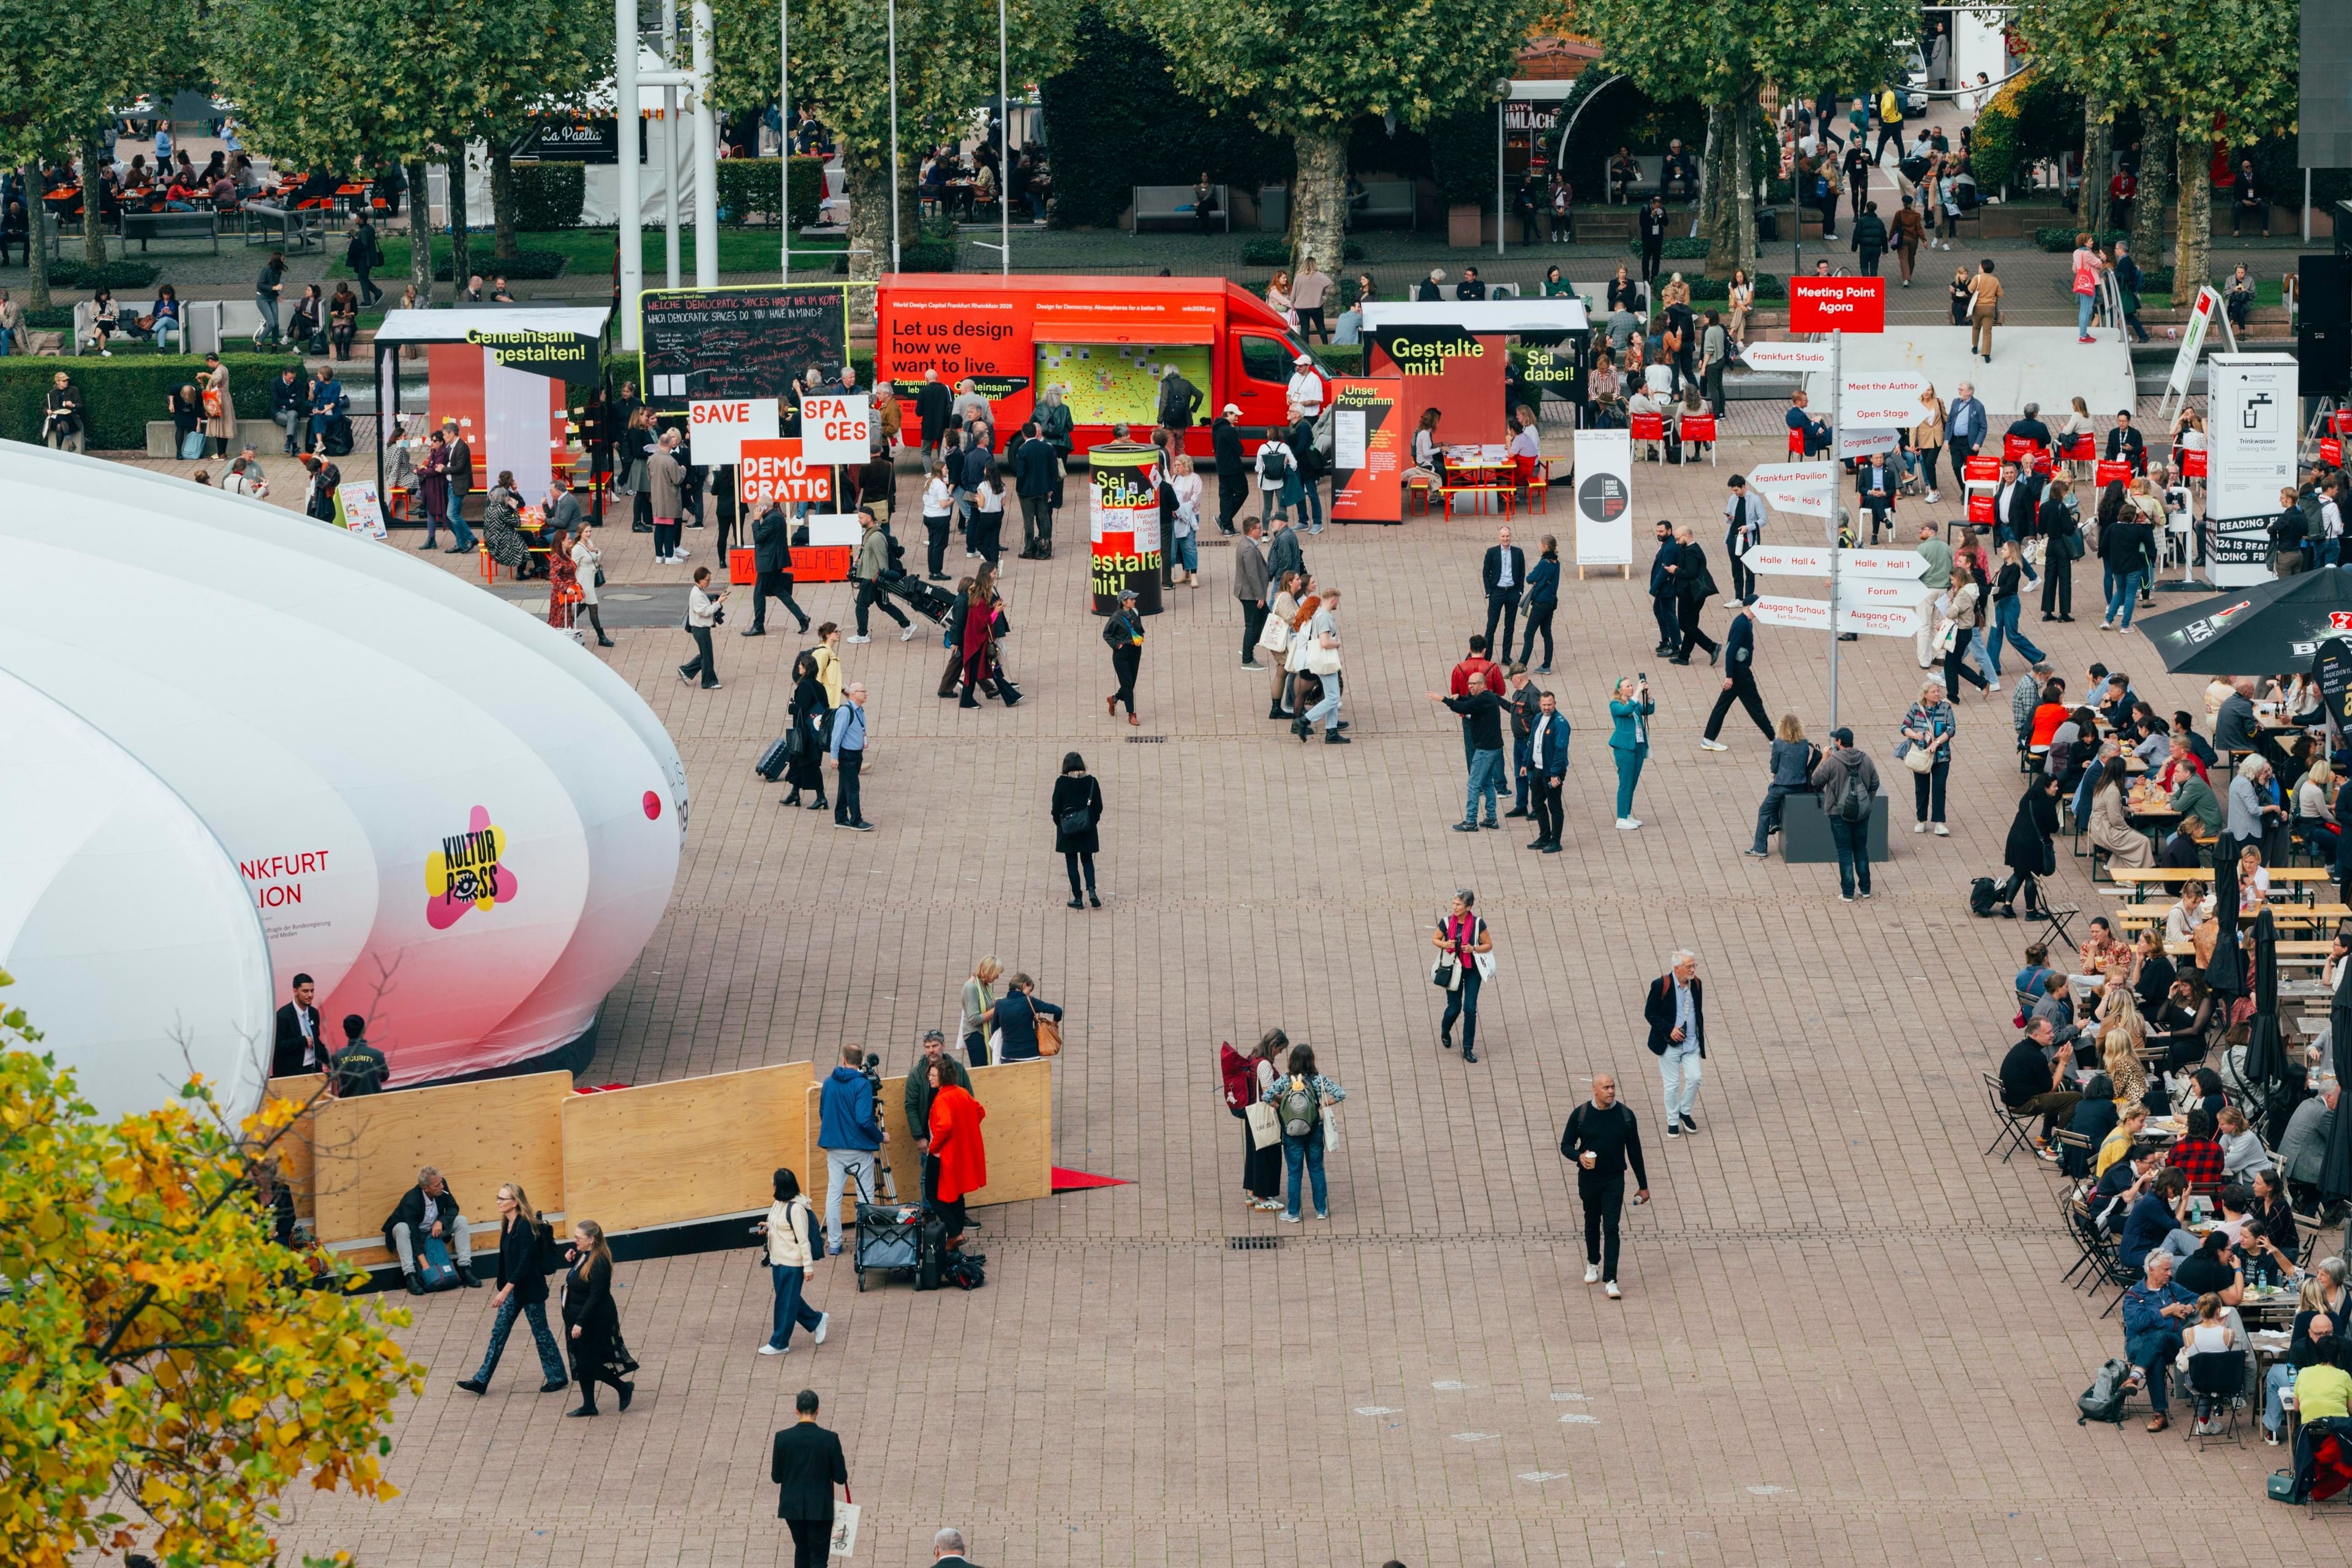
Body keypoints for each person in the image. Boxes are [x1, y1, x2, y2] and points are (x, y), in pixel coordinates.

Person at [456, 1182, 570, 1396]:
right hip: (514, 1290)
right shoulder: (506, 1225)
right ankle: (481, 1380)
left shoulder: (525, 1226)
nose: (499, 1202)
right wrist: (505, 1287)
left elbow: (524, 1263)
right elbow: (507, 1260)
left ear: (516, 1202)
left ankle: (557, 1376)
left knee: (541, 1333)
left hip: (530, 1291)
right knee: (498, 1332)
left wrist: (505, 1290)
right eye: (498, 1198)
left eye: (503, 1199)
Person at [1561, 1073, 1649, 1300]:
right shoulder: (1581, 1114)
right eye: (1606, 1088)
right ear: (1595, 1091)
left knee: (1611, 1227)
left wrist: (1643, 1185)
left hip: (1614, 1179)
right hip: (1589, 1179)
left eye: (1613, 1087)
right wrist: (1579, 1157)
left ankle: (1611, 1279)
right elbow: (1566, 1145)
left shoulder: (1625, 1116)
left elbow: (1635, 1152)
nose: (1611, 1091)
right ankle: (1593, 1262)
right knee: (1591, 1221)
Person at [813, 1045, 884, 1258]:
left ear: (843, 1060)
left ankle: (834, 1244)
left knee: (834, 1194)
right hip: (860, 1148)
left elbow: (823, 1112)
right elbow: (864, 1120)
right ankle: (866, 1243)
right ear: (860, 1061)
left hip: (835, 1147)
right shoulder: (862, 1085)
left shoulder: (828, 1083)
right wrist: (880, 1137)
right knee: (865, 1195)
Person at [1262, 1042, 1345, 1221]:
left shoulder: (1285, 1079)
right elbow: (1340, 1094)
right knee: (1316, 1170)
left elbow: (1266, 1096)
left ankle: (1293, 1213)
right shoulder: (1317, 1079)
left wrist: (1282, 1109)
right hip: (1314, 1129)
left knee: (1294, 1173)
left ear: (1292, 1061)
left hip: (1291, 1133)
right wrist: (1322, 1105)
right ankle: (1321, 1210)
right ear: (1311, 1060)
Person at [771, 1387, 849, 1568]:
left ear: (796, 1411)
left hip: (792, 1507)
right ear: (818, 1410)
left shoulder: (782, 1438)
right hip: (820, 1508)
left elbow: (777, 1477)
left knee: (802, 1549)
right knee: (819, 1556)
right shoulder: (830, 1439)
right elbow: (840, 1477)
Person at [2120, 1251, 2198, 1431]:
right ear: (2151, 1270)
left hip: (2172, 1343)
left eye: (2170, 1269)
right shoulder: (2134, 1295)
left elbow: (2199, 1298)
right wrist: (2168, 1311)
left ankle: (2135, 1376)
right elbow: (2138, 1322)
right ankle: (2159, 1415)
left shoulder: (2173, 1289)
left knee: (2160, 1337)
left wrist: (2190, 1307)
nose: (2170, 1274)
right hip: (2138, 1345)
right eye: (2165, 1270)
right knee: (2156, 1356)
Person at [1809, 728, 1880, 901]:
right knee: (1861, 849)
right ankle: (1865, 889)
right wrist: (1866, 803)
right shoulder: (1866, 759)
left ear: (1839, 742)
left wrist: (1824, 759)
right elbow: (1875, 783)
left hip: (1837, 813)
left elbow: (1815, 780)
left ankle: (1848, 892)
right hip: (1862, 814)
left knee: (1844, 852)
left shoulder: (1833, 761)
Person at [383, 1166, 478, 1295]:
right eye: (437, 1185)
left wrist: (441, 1222)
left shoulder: (442, 1188)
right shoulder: (411, 1200)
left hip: (433, 1229)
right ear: (426, 1188)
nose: (442, 1186)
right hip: (410, 1233)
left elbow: (453, 1208)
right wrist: (425, 1265)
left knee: (461, 1221)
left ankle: (465, 1268)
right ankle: (411, 1276)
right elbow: (414, 1236)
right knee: (402, 1228)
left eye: (441, 1182)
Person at [924, 1057, 987, 1251]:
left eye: (933, 1075)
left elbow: (945, 1126)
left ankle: (954, 1233)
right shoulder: (962, 1093)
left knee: (933, 1195)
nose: (930, 1078)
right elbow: (980, 1112)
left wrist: (934, 1147)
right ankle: (957, 1235)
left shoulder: (942, 1098)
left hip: (943, 1156)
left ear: (942, 1077)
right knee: (957, 1195)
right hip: (960, 1153)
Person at [1431, 671, 1506, 832]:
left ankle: (1470, 821)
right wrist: (1461, 697)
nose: (1470, 687)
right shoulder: (1487, 698)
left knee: (1473, 784)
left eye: (1473, 684)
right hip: (1494, 747)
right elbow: (1471, 703)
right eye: (1469, 684)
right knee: (1486, 783)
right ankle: (1491, 818)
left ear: (1482, 684)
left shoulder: (1485, 699)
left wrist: (1445, 700)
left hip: (1485, 749)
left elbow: (1466, 707)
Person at [1999, 1017, 2081, 1150]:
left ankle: (2044, 1137)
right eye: (2048, 1033)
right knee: (2076, 1098)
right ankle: (2056, 1143)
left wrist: (2055, 1061)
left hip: (2012, 1098)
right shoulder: (2036, 1057)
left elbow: (2043, 1076)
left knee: (2064, 1085)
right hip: (2023, 1104)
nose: (2053, 1035)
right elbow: (2050, 1088)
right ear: (2036, 1036)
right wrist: (2064, 1062)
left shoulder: (2023, 1048)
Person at [1702, 601, 1773, 751]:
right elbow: (1730, 651)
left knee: (1722, 706)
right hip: (1740, 674)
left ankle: (1708, 739)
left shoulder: (1746, 622)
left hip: (1737, 672)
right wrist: (1729, 676)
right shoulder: (1742, 625)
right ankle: (1773, 738)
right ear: (1749, 607)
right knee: (1755, 705)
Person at [1430, 890, 1492, 1062]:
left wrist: (1474, 949)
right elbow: (1435, 939)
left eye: (1458, 904)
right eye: (1454, 903)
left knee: (1470, 1009)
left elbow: (1488, 945)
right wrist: (1445, 944)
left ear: (1468, 907)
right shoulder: (1447, 922)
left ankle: (1467, 1048)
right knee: (1454, 1008)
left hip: (1473, 969)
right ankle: (1445, 1030)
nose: (1454, 907)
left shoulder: (1478, 924)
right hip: (1453, 969)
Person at [1899, 678, 1956, 835]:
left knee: (1939, 788)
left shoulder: (1946, 708)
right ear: (1925, 695)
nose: (1938, 694)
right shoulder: (1916, 709)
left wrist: (1936, 743)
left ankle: (1939, 822)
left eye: (1938, 691)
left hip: (1941, 756)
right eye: (1934, 692)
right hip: (1921, 755)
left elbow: (1951, 729)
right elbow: (1904, 727)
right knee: (1921, 788)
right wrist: (1914, 735)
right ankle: (1921, 820)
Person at [744, 502, 810, 637]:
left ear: (765, 507)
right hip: (774, 562)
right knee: (779, 591)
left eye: (759, 505)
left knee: (759, 594)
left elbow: (758, 537)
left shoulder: (771, 519)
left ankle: (758, 626)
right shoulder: (776, 517)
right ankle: (802, 617)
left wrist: (756, 520)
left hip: (768, 563)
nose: (756, 508)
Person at [1051, 751, 1103, 910]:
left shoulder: (1061, 783)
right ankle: (1092, 890)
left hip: (1068, 830)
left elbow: (1056, 808)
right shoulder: (1092, 782)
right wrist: (1091, 822)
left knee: (1071, 862)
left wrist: (1060, 824)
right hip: (1087, 828)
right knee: (1087, 859)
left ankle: (1078, 898)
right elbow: (1098, 806)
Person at [1668, 524, 1719, 665]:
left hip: (1690, 594)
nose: (1677, 542)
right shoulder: (1694, 549)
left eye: (1678, 539)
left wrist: (1675, 570)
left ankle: (1712, 646)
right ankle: (1684, 656)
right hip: (1695, 594)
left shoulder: (1691, 551)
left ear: (1686, 536)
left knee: (1685, 625)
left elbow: (1691, 572)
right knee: (1691, 625)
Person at [829, 682, 873, 831]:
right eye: (863, 691)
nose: (866, 694)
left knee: (845, 786)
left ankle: (841, 817)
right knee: (853, 787)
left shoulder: (860, 710)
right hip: (846, 755)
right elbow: (837, 735)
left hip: (856, 754)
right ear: (854, 694)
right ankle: (856, 820)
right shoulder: (846, 711)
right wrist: (834, 757)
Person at [1103, 587, 1145, 727]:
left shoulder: (1135, 613)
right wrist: (1118, 645)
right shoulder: (1116, 618)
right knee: (1127, 684)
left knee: (1131, 683)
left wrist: (1140, 638)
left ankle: (1114, 699)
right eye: (1131, 599)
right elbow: (1107, 635)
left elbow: (1140, 629)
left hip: (1135, 650)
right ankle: (1131, 714)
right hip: (1122, 653)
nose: (1134, 601)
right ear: (1124, 602)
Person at [677, 567, 726, 691]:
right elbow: (705, 612)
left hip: (700, 629)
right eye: (707, 580)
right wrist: (718, 603)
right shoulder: (697, 594)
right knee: (707, 656)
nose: (708, 582)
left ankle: (686, 670)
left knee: (705, 654)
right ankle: (708, 682)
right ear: (699, 579)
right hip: (700, 629)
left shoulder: (699, 590)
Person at [1480, 526, 1525, 660]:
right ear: (1499, 537)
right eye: (1503, 536)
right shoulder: (1492, 552)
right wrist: (1489, 592)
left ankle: (1506, 656)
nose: (1505, 539)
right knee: (1491, 625)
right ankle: (1487, 657)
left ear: (1511, 537)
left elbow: (1522, 572)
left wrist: (1520, 591)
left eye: (1508, 536)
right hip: (1497, 592)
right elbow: (1486, 573)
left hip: (1512, 592)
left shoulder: (1518, 552)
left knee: (1509, 626)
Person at [271, 973, 325, 1077]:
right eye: (305, 991)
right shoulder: (283, 1016)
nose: (310, 995)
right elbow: (277, 1046)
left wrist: (333, 1062)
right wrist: (302, 1041)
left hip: (314, 1071)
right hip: (292, 1074)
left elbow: (317, 1042)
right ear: (295, 991)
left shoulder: (314, 1013)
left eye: (312, 991)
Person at [1235, 517, 1271, 668]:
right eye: (1258, 528)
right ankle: (1247, 659)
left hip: (1251, 594)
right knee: (1253, 625)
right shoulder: (1249, 548)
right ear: (1251, 530)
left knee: (1266, 619)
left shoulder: (1246, 544)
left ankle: (1248, 646)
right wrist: (1259, 596)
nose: (1260, 530)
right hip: (1251, 595)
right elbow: (1252, 574)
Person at [328, 1012, 388, 1096]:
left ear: (346, 1033)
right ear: (364, 1030)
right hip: (374, 1105)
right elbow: (385, 1077)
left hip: (348, 1106)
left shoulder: (338, 1056)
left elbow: (336, 1083)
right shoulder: (377, 1054)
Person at [1966, 258, 2002, 361]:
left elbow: (1970, 289)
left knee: (1976, 327)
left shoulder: (1977, 278)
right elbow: (2000, 294)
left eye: (1980, 266)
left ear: (1983, 268)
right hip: (1990, 308)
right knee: (1987, 332)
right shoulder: (1995, 280)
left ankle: (1975, 347)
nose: (1978, 268)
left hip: (1978, 307)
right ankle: (1987, 355)